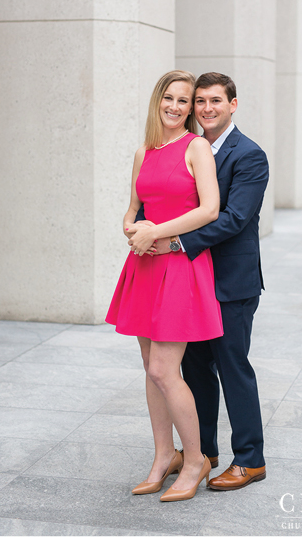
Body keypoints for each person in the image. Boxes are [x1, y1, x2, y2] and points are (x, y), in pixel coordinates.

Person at [148, 72, 269, 491]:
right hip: (192, 282)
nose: (206, 109)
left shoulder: (249, 155)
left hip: (231, 282)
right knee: (195, 370)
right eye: (200, 101)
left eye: (215, 101)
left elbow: (234, 219)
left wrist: (176, 242)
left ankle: (251, 459)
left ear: (233, 104)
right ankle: (205, 453)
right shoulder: (190, 148)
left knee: (233, 368)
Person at [106, 69, 222, 502]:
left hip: (179, 267)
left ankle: (195, 460)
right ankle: (162, 456)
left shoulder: (197, 147)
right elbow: (132, 210)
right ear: (158, 101)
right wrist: (132, 228)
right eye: (169, 98)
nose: (176, 107)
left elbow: (209, 209)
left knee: (163, 370)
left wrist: (157, 232)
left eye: (185, 101)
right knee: (150, 371)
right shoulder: (143, 152)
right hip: (144, 267)